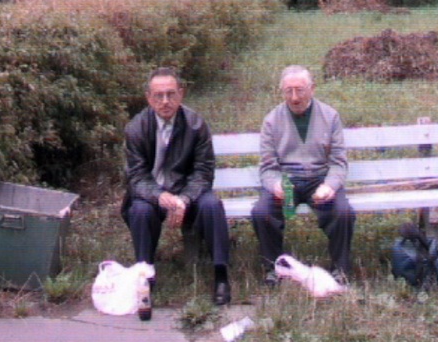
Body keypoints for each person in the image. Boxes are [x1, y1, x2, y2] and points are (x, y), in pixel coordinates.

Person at [121, 67, 231, 305]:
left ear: (181, 94)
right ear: (149, 97)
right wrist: (160, 196)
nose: (165, 101)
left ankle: (221, 274)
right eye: (158, 96)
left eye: (171, 94)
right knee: (139, 211)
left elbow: (203, 172)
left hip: (186, 192)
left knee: (212, 205)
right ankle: (145, 275)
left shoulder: (196, 125)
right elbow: (136, 177)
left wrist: (184, 199)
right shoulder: (136, 128)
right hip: (153, 195)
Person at [251, 65, 355, 287]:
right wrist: (276, 185)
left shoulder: (330, 116)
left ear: (312, 89)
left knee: (343, 212)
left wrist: (329, 186)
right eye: (288, 91)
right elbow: (268, 166)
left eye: (300, 90)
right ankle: (274, 269)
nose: (294, 97)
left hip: (319, 179)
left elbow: (338, 162)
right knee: (262, 212)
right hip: (287, 181)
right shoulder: (272, 120)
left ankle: (340, 270)